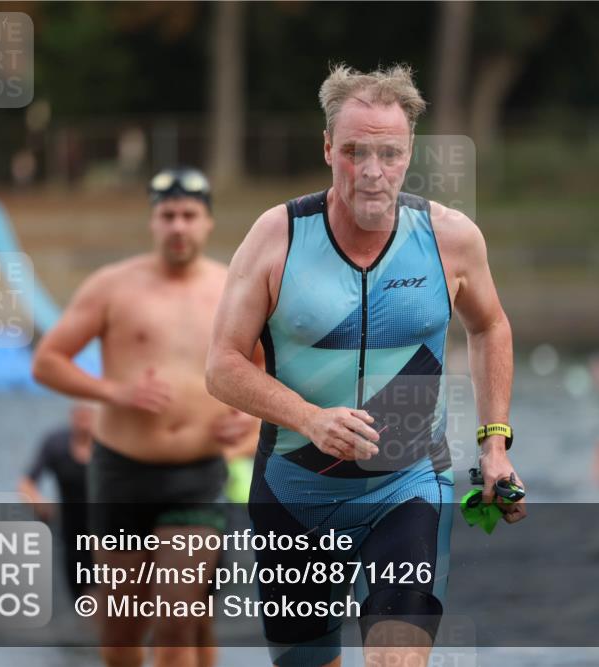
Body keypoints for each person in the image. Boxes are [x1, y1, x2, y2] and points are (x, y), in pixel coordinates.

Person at [205, 64, 525, 667]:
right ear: (328, 148)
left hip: (408, 487)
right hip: (294, 495)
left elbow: (490, 326)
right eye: (355, 151)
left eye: (389, 153)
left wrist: (495, 443)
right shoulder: (277, 237)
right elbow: (221, 366)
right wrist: (309, 418)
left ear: (409, 155)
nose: (372, 171)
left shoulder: (451, 239)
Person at [32, 167, 260, 667]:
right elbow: (47, 361)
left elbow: (267, 371)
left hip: (198, 475)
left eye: (189, 215)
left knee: (176, 619)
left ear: (207, 222)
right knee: (120, 633)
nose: (178, 226)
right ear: (153, 221)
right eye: (168, 215)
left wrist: (253, 423)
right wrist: (115, 391)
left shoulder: (234, 289)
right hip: (122, 474)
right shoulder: (112, 286)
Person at [18, 402, 96, 602]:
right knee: (80, 592)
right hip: (71, 530)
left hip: (108, 531)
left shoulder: (110, 446)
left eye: (89, 415)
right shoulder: (57, 444)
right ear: (72, 416)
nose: (84, 421)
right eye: (80, 415)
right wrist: (39, 503)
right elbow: (26, 484)